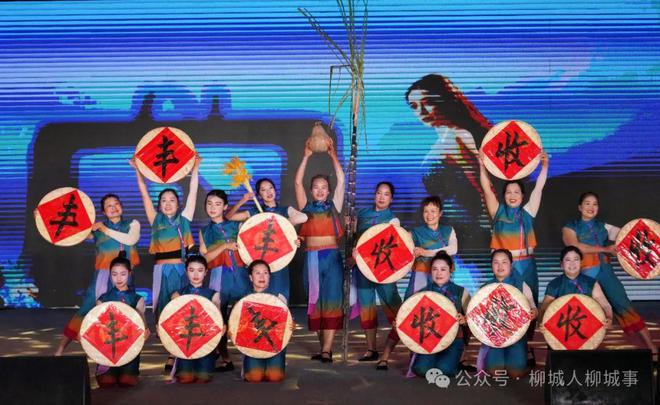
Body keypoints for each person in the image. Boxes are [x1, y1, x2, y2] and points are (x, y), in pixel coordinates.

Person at [562, 192, 657, 355]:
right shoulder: (570, 226)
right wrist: (605, 249)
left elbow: (631, 236)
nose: (591, 207)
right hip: (584, 276)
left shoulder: (603, 227)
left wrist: (653, 239)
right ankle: (577, 354)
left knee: (625, 306)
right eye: (587, 203)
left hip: (606, 272)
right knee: (583, 313)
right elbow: (574, 246)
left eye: (595, 204)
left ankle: (651, 348)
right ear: (580, 207)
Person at [406, 74, 492, 246]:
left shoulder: (460, 136)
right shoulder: (444, 140)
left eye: (427, 102)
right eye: (414, 106)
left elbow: (483, 185)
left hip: (471, 227)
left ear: (443, 99)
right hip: (443, 226)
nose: (421, 112)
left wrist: (490, 225)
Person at [130, 155, 199, 370]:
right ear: (159, 205)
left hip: (180, 270)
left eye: (172, 200)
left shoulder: (184, 219)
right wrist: (137, 170)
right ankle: (171, 349)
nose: (168, 204)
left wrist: (195, 168)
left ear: (178, 204)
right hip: (160, 271)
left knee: (181, 308)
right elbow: (143, 193)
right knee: (162, 310)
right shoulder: (155, 219)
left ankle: (176, 353)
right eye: (164, 201)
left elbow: (193, 192)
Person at [479, 150, 548, 357]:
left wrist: (544, 166)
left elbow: (539, 188)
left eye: (516, 192)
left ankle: (526, 346)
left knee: (529, 305)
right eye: (509, 192)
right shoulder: (497, 211)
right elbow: (486, 189)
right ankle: (505, 342)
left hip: (526, 265)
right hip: (504, 267)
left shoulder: (528, 212)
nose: (512, 195)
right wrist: (482, 166)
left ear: (522, 196)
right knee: (505, 305)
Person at [54, 193, 140, 356]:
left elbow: (131, 240)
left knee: (123, 313)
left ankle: (119, 354)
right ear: (103, 212)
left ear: (121, 206)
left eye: (116, 204)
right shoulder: (96, 230)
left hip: (125, 277)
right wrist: (44, 219)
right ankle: (60, 349)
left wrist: (104, 228)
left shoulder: (132, 224)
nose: (113, 208)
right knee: (87, 308)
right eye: (109, 206)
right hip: (103, 275)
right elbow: (69, 233)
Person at [295, 136, 345, 363]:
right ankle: (322, 346)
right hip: (312, 258)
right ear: (311, 190)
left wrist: (333, 155)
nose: (320, 190)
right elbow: (297, 183)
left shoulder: (334, 205)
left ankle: (327, 349)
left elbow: (342, 180)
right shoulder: (305, 207)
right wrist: (306, 157)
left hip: (332, 257)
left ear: (329, 190)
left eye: (324, 187)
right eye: (316, 187)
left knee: (332, 300)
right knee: (314, 302)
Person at [226, 177, 308, 301]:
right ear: (259, 195)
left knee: (279, 301)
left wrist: (281, 226)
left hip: (279, 261)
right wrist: (243, 200)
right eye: (263, 190)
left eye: (270, 188)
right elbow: (228, 217)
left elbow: (303, 217)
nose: (268, 192)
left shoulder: (285, 210)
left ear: (275, 190)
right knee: (261, 301)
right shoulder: (254, 213)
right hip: (260, 263)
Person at [348, 182, 402, 366]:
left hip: (384, 271)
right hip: (363, 270)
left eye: (386, 194)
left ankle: (409, 341)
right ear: (374, 195)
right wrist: (352, 257)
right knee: (367, 308)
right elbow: (354, 240)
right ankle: (371, 349)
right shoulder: (361, 214)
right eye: (379, 193)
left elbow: (394, 248)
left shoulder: (393, 220)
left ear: (391, 199)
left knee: (395, 307)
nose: (381, 197)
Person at [199, 189, 249, 372]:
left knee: (246, 315)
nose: (212, 207)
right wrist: (224, 246)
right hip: (218, 276)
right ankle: (226, 359)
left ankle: (251, 357)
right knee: (218, 318)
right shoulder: (204, 231)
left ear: (225, 207)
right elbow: (205, 259)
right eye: (209, 203)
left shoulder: (236, 225)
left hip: (241, 274)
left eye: (218, 204)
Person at [477, 249, 537, 378]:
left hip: (516, 337)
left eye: (504, 262)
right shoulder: (485, 288)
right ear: (491, 265)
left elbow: (533, 308)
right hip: (494, 338)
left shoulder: (521, 285)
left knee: (515, 373)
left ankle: (523, 356)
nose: (500, 266)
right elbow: (478, 315)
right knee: (495, 372)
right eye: (496, 262)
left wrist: (533, 313)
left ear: (511, 264)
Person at [410, 252, 470, 377]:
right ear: (430, 271)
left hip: (454, 340)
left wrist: (465, 320)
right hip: (429, 340)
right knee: (420, 369)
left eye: (443, 269)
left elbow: (474, 319)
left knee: (444, 371)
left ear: (450, 270)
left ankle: (456, 359)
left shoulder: (461, 291)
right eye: (435, 269)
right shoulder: (422, 293)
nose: (439, 273)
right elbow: (413, 321)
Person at [95, 253, 149, 387]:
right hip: (108, 348)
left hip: (129, 349)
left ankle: (130, 370)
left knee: (127, 381)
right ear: (110, 275)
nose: (118, 278)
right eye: (114, 274)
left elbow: (143, 327)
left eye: (123, 274)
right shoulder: (103, 299)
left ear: (129, 274)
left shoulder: (137, 299)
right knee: (106, 382)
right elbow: (97, 328)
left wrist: (145, 331)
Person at [171, 251, 222, 384]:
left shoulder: (213, 295)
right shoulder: (177, 295)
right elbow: (172, 323)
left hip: (205, 344)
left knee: (203, 378)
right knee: (185, 378)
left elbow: (218, 321)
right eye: (191, 270)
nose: (195, 274)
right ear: (186, 272)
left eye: (200, 270)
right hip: (185, 344)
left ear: (206, 272)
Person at [539, 246, 613, 330]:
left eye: (576, 259)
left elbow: (605, 305)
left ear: (581, 263)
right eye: (568, 260)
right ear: (562, 265)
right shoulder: (554, 284)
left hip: (586, 329)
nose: (572, 263)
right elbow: (544, 308)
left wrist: (609, 317)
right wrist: (542, 323)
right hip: (561, 329)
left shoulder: (591, 283)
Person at [242, 260, 293, 382]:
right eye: (257, 273)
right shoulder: (244, 299)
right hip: (253, 346)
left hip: (274, 345)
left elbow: (285, 324)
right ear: (250, 277)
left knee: (275, 377)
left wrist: (291, 325)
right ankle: (247, 366)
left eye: (265, 273)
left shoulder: (278, 298)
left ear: (270, 276)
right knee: (254, 377)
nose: (262, 277)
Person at [405, 196, 457, 299]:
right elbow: (400, 242)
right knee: (416, 303)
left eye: (433, 211)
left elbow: (453, 249)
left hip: (441, 275)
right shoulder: (415, 232)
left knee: (442, 303)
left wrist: (425, 252)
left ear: (440, 213)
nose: (429, 215)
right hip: (421, 274)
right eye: (426, 211)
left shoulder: (448, 230)